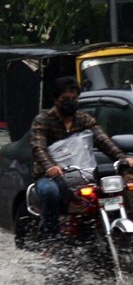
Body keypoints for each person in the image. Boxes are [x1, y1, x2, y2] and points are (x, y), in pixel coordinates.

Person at [31, 76, 133, 239]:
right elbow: (38, 148)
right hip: (51, 176)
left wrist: (122, 158)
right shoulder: (43, 120)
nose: (70, 102)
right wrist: (50, 167)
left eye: (73, 98)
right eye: (65, 99)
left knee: (116, 190)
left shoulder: (84, 119)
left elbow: (103, 140)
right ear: (56, 100)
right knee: (50, 193)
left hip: (83, 174)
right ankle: (51, 239)